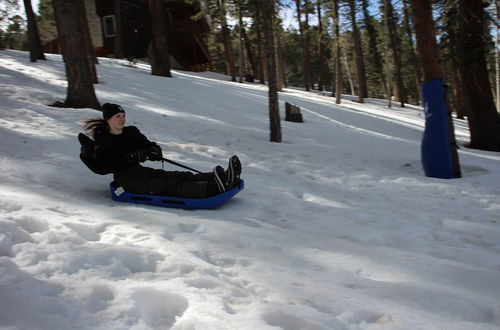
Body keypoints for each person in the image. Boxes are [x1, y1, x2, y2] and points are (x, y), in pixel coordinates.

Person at [82, 103, 241, 199]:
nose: (122, 119)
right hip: (127, 180)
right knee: (169, 185)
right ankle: (214, 188)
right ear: (108, 119)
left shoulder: (131, 132)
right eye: (118, 116)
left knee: (178, 176)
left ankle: (222, 178)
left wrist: (153, 150)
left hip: (140, 171)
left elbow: (148, 144)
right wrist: (132, 156)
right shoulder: (103, 140)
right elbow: (104, 165)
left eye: (123, 115)